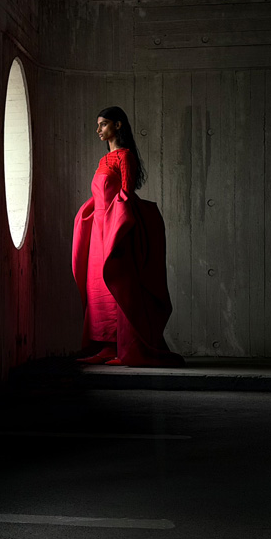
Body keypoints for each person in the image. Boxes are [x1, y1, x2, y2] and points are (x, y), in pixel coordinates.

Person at [72, 106, 186, 367]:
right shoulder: (103, 161)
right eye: (98, 125)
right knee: (97, 290)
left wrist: (116, 227)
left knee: (119, 288)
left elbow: (125, 196)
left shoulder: (125, 157)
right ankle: (106, 346)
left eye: (103, 124)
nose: (98, 130)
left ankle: (126, 349)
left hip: (116, 230)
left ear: (118, 126)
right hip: (98, 234)